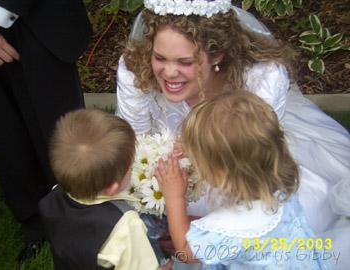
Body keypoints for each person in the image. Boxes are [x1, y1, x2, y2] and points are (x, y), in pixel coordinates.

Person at [115, 0, 350, 268]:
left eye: (185, 61)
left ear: (217, 55)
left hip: (233, 162)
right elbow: (134, 139)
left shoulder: (263, 77)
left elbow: (185, 252)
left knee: (314, 200)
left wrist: (179, 209)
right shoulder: (280, 200)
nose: (169, 72)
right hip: (224, 173)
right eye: (160, 58)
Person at [155, 91, 333, 269]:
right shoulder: (280, 187)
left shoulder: (233, 225)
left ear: (222, 172)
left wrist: (174, 198)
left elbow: (186, 252)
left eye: (199, 159)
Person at [0, 0, 91, 260]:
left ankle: (81, 217)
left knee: (58, 130)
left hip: (38, 19)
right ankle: (34, 223)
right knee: (3, 132)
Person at [39, 109, 173, 270]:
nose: (132, 170)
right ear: (112, 188)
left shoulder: (53, 197)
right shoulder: (125, 225)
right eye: (130, 168)